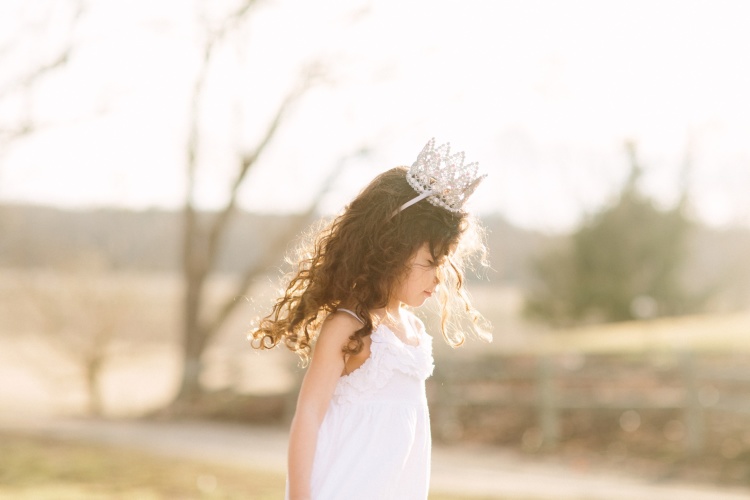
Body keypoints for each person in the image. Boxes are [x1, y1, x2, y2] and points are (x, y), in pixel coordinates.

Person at [249, 138, 490, 500]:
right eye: (430, 263)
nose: (438, 278)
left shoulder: (412, 330)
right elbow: (309, 415)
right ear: (391, 253)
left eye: (443, 264)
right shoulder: (349, 327)